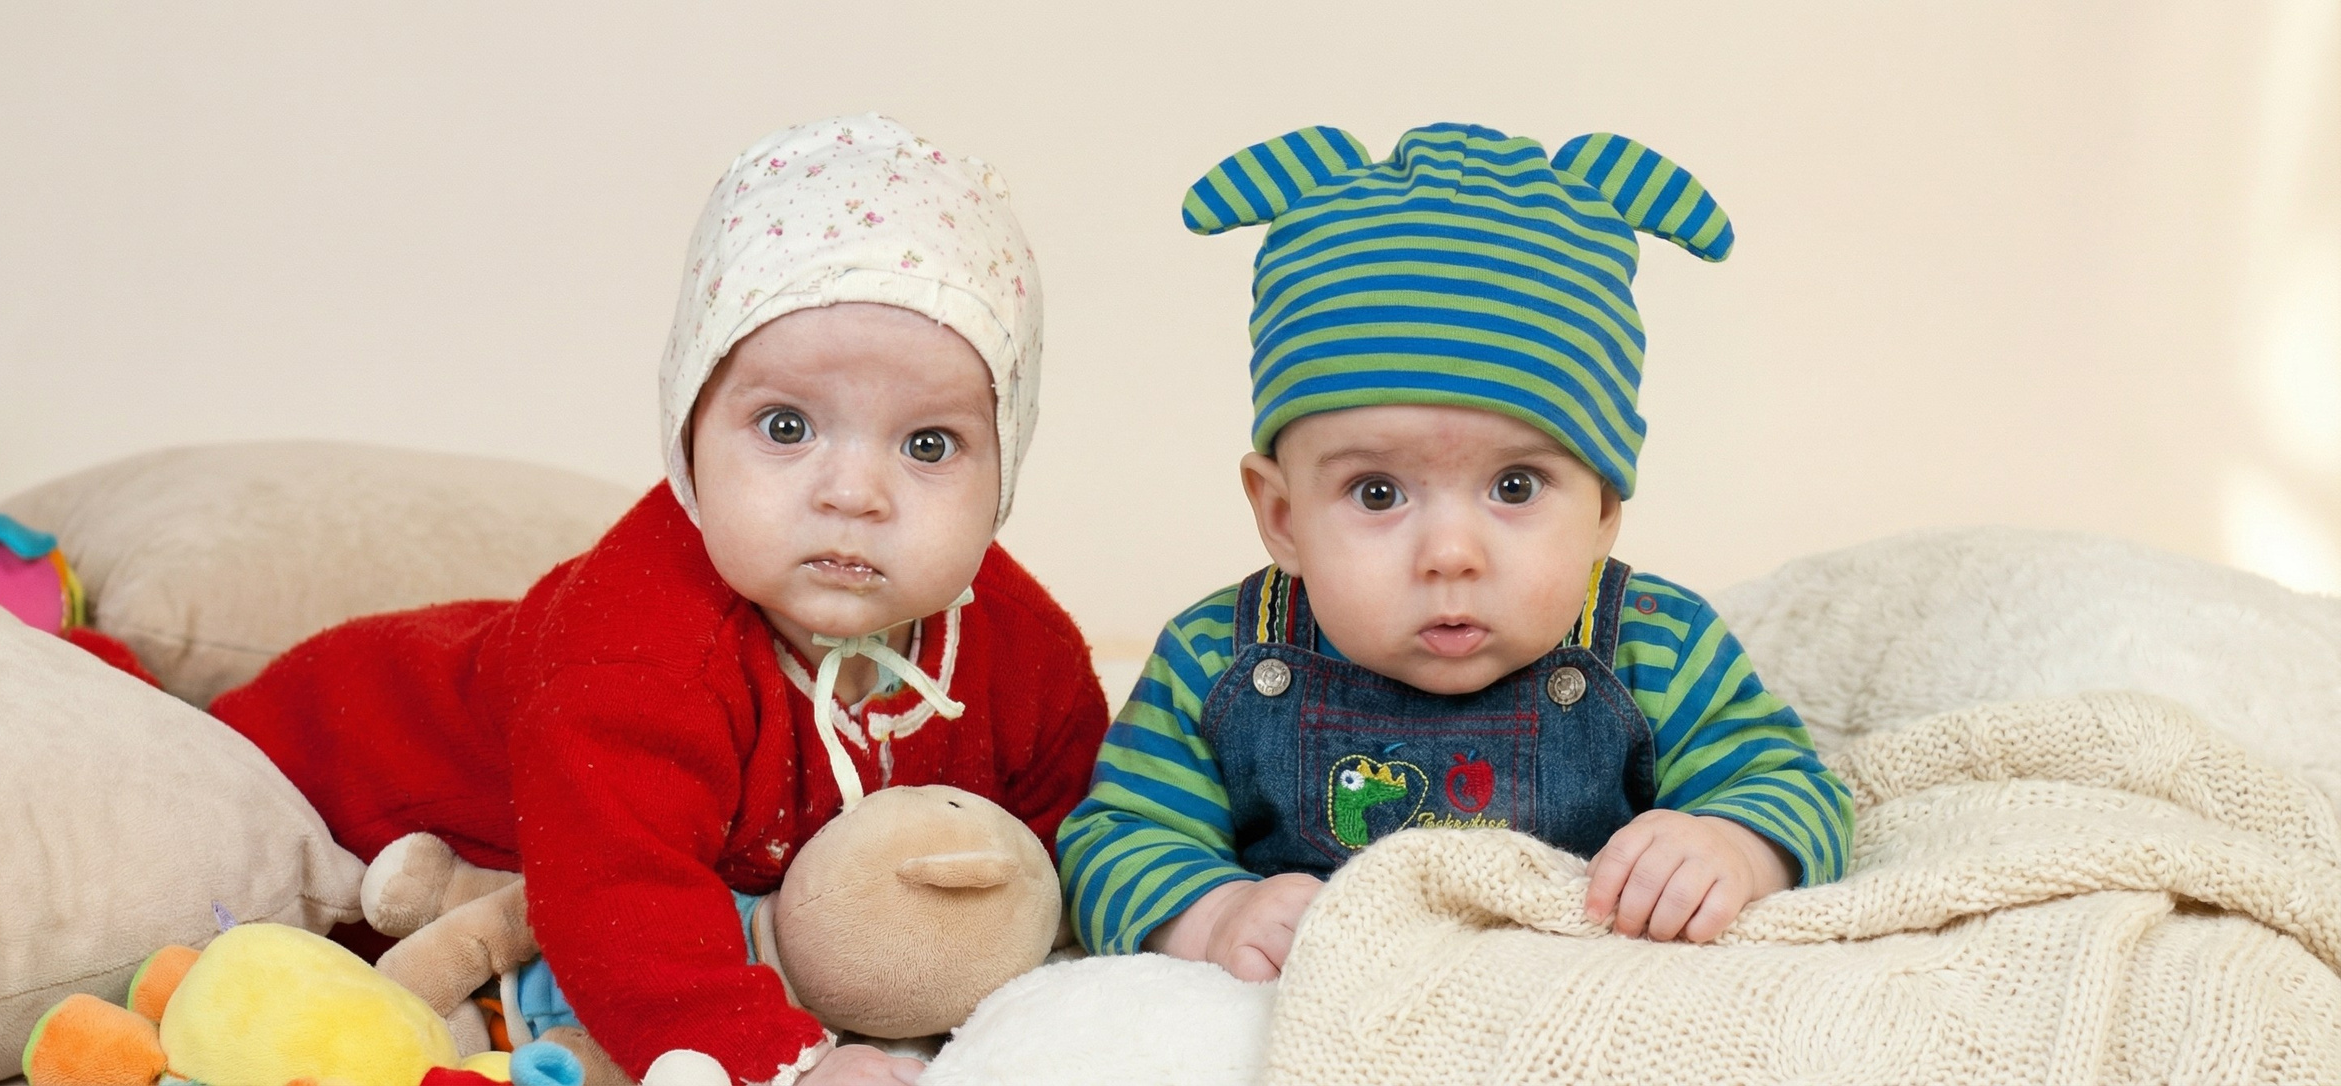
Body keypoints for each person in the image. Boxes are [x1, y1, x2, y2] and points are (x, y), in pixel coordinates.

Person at [215, 114, 1110, 1086]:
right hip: (339, 760)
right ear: (687, 433)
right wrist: (787, 1065)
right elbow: (620, 902)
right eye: (786, 426)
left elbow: (1068, 848)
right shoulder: (636, 653)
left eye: (928, 445)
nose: (854, 494)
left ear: (1005, 464)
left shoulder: (1023, 650)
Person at [1059, 122, 1855, 982]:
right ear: (1283, 516)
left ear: (1601, 512)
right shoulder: (1214, 660)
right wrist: (1214, 914)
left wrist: (1730, 845)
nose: (1449, 554)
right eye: (1377, 493)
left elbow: (1794, 787)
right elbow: (1117, 838)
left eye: (1515, 486)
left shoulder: (1657, 647)